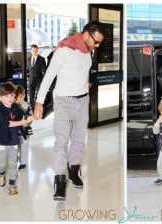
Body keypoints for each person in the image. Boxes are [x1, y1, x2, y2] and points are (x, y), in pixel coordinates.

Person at [33, 21, 105, 201]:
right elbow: (48, 77)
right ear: (86, 34)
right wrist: (39, 102)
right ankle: (59, 180)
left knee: (79, 140)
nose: (97, 45)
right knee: (61, 142)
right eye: (96, 41)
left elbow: (81, 72)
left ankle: (74, 171)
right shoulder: (64, 50)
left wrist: (83, 84)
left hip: (83, 100)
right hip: (64, 102)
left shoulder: (88, 52)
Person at [0, 82, 33, 195]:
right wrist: (22, 122)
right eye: (6, 96)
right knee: (1, 164)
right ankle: (1, 174)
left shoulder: (16, 107)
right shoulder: (0, 109)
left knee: (12, 164)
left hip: (14, 142)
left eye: (11, 95)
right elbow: (7, 123)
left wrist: (30, 118)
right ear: (0, 98)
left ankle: (12, 184)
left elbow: (23, 117)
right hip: (2, 142)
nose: (10, 98)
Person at [15, 84, 34, 170]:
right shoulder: (11, 106)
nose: (21, 99)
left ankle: (23, 162)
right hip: (14, 130)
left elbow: (31, 116)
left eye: (22, 97)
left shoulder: (27, 105)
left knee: (24, 145)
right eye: (19, 97)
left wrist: (27, 123)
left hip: (25, 129)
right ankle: (15, 159)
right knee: (14, 146)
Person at [27, 44, 47, 109]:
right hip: (31, 80)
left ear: (37, 50)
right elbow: (29, 70)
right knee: (31, 96)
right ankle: (32, 109)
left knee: (39, 96)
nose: (34, 52)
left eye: (36, 51)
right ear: (31, 51)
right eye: (33, 51)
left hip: (39, 80)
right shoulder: (28, 59)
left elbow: (45, 71)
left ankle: (39, 109)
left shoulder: (42, 59)